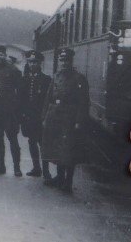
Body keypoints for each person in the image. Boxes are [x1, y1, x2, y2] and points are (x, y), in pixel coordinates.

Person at [41, 48, 89, 193]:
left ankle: (68, 182)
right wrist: (44, 117)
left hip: (69, 117)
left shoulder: (79, 78)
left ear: (71, 61)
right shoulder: (56, 76)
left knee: (68, 150)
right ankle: (60, 177)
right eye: (62, 60)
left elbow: (83, 102)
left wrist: (79, 120)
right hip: (55, 116)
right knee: (56, 148)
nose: (64, 63)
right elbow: (48, 97)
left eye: (66, 60)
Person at [0, 45, 23, 177]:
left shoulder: (13, 70)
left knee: (12, 138)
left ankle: (17, 168)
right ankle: (0, 166)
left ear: (5, 56)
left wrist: (17, 110)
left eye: (1, 55)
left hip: (10, 111)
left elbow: (20, 92)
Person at [20, 50, 51, 179]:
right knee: (32, 142)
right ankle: (36, 168)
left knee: (43, 143)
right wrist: (21, 115)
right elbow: (21, 99)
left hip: (41, 117)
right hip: (28, 117)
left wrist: (45, 117)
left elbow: (48, 100)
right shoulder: (24, 79)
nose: (32, 65)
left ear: (40, 64)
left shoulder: (46, 79)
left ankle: (46, 171)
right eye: (30, 62)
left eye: (35, 62)